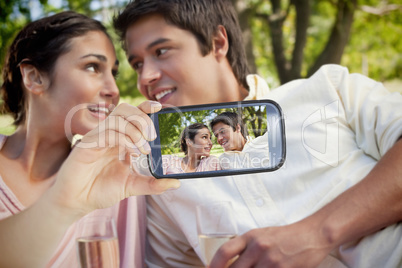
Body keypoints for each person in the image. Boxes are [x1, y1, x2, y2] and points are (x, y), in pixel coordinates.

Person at [113, 1, 402, 267]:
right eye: (137, 64)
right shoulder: (164, 182)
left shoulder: (329, 90)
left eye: (161, 51)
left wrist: (315, 234)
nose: (144, 77)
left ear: (217, 42)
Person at [0, 11, 179, 267]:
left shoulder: (122, 172)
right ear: (34, 77)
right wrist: (64, 202)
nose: (114, 90)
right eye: (93, 67)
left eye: (113, 73)